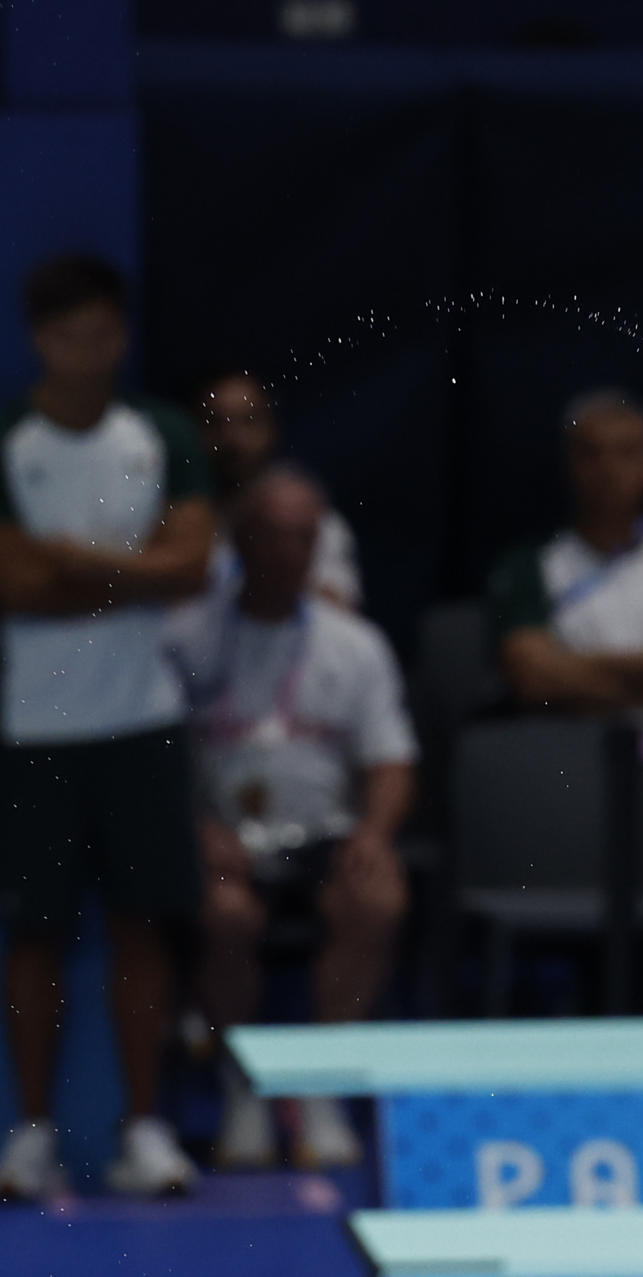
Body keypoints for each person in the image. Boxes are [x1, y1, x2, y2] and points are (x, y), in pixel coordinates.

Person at [0, 255, 213, 1197]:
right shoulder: (9, 437)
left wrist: (65, 562)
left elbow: (192, 567)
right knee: (34, 935)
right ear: (38, 341)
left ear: (121, 335)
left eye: (100, 335)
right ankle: (32, 1132)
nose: (85, 354)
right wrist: (135, 572)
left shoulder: (163, 432)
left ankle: (145, 1127)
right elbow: (10, 587)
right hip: (31, 729)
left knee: (142, 927)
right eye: (65, 337)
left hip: (142, 721)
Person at [167, 466, 416, 1169]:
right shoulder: (184, 638)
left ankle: (319, 1087)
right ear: (238, 540)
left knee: (377, 895)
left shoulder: (355, 644)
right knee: (224, 914)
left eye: (302, 538)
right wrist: (195, 827)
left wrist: (373, 833)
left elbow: (391, 761)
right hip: (220, 842)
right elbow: (158, 759)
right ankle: (242, 1085)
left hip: (323, 838)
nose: (286, 553)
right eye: (270, 535)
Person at [489, 389, 643, 713]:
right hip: (567, 735)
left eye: (627, 453)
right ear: (569, 462)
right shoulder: (528, 565)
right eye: (591, 454)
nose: (609, 470)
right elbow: (533, 675)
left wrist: (575, 667)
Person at [198, 370, 363, 609]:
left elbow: (337, 609)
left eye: (249, 421)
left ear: (271, 428)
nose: (232, 439)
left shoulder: (308, 518)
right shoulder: (173, 513)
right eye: (216, 423)